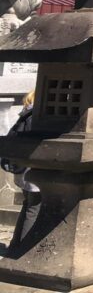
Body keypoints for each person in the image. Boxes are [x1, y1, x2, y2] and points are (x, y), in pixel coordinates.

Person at [6, 91, 38, 257]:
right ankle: (24, 249)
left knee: (27, 207)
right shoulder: (36, 116)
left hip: (23, 170)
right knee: (33, 209)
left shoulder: (24, 114)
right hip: (33, 171)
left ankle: (15, 246)